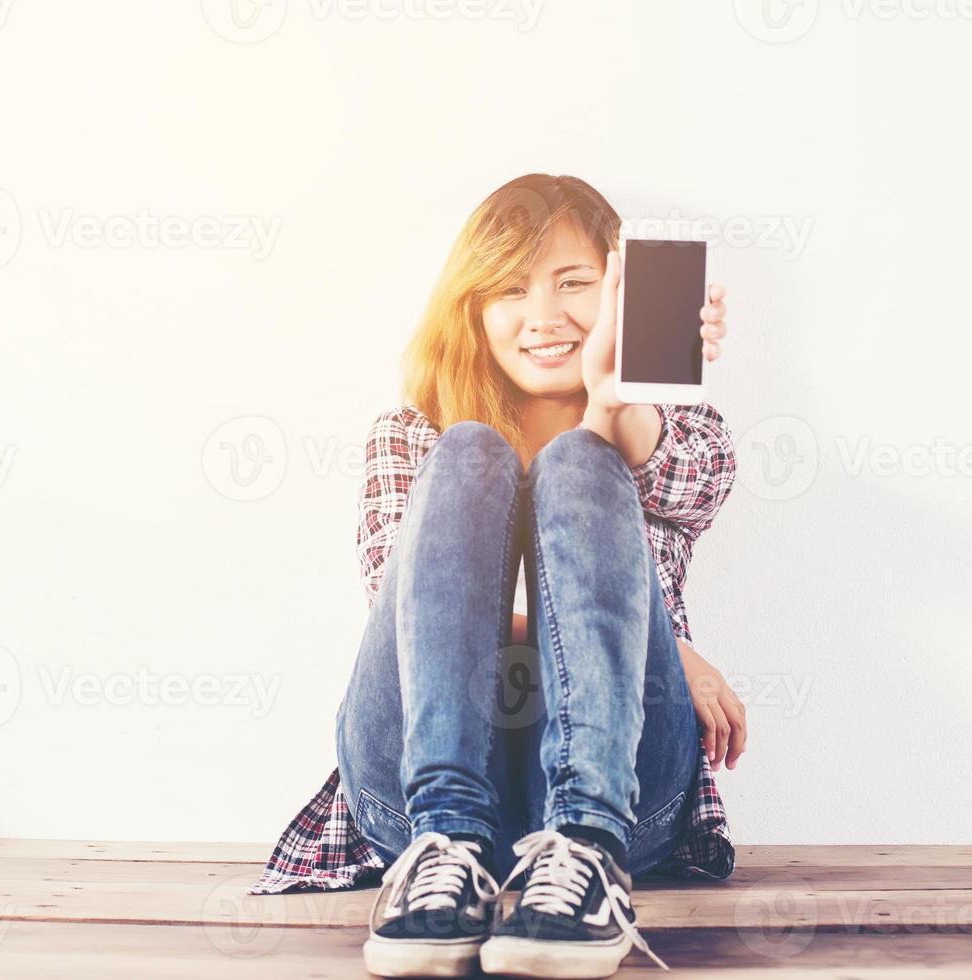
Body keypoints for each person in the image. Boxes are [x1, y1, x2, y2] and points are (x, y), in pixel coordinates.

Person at [250, 174, 747, 979]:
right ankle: (443, 842)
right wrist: (674, 648)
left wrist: (610, 397)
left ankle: (586, 852)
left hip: (624, 797)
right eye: (511, 288)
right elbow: (418, 618)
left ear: (618, 295)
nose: (544, 315)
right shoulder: (409, 438)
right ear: (472, 308)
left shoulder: (679, 436)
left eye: (576, 283)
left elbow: (688, 484)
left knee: (582, 462)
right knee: (469, 450)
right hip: (411, 791)